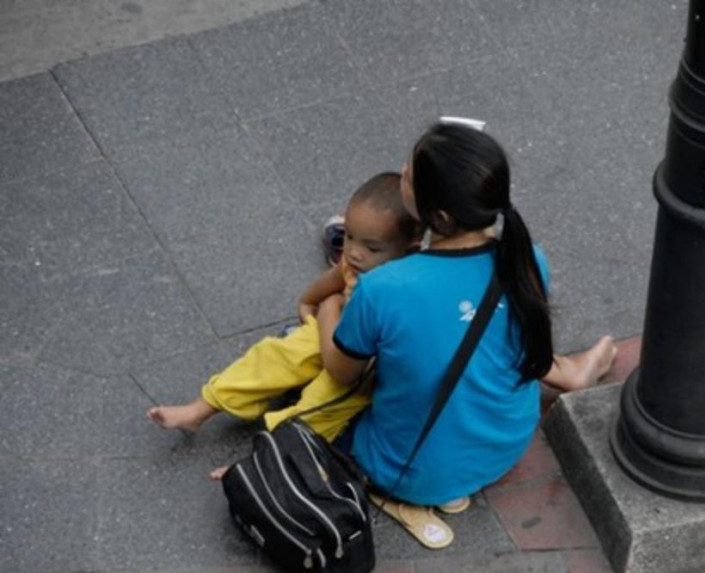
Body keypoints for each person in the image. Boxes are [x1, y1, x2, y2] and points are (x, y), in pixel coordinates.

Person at [305, 122, 616, 545]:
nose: (401, 174)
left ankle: (408, 498)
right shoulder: (529, 258)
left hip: (409, 474)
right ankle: (569, 373)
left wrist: (328, 307)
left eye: (410, 177)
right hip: (505, 448)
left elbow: (340, 371)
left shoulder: (385, 288)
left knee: (314, 378)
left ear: (440, 217)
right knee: (486, 338)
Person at [146, 172, 423, 444]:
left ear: (409, 251)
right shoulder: (354, 266)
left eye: (371, 248)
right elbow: (314, 295)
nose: (353, 252)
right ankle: (200, 409)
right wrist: (308, 310)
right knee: (274, 355)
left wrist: (328, 310)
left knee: (323, 403)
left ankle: (273, 452)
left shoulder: (404, 288)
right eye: (349, 236)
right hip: (334, 331)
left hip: (363, 365)